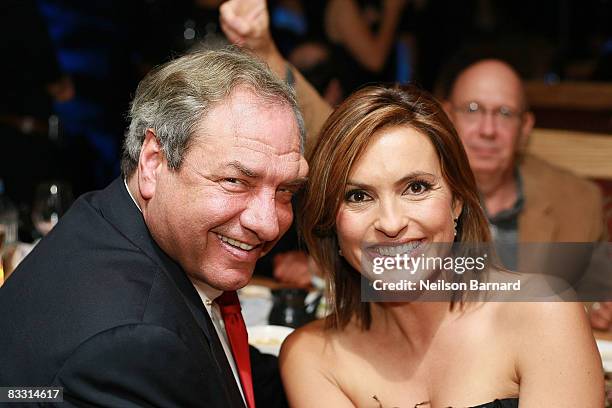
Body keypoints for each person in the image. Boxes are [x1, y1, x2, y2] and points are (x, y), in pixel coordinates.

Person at [0, 47, 307, 407]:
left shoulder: (104, 216)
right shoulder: (136, 342)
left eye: (285, 190)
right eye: (235, 181)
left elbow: (224, 370)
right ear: (152, 162)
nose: (268, 224)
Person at [280, 84, 603, 407]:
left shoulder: (543, 315)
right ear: (330, 222)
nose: (391, 223)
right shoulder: (313, 358)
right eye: (359, 196)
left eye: (416, 187)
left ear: (457, 202)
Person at [441, 59, 605, 271]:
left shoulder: (579, 201)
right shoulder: (410, 194)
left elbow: (597, 291)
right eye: (472, 109)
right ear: (447, 116)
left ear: (525, 127)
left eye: (505, 113)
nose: (488, 130)